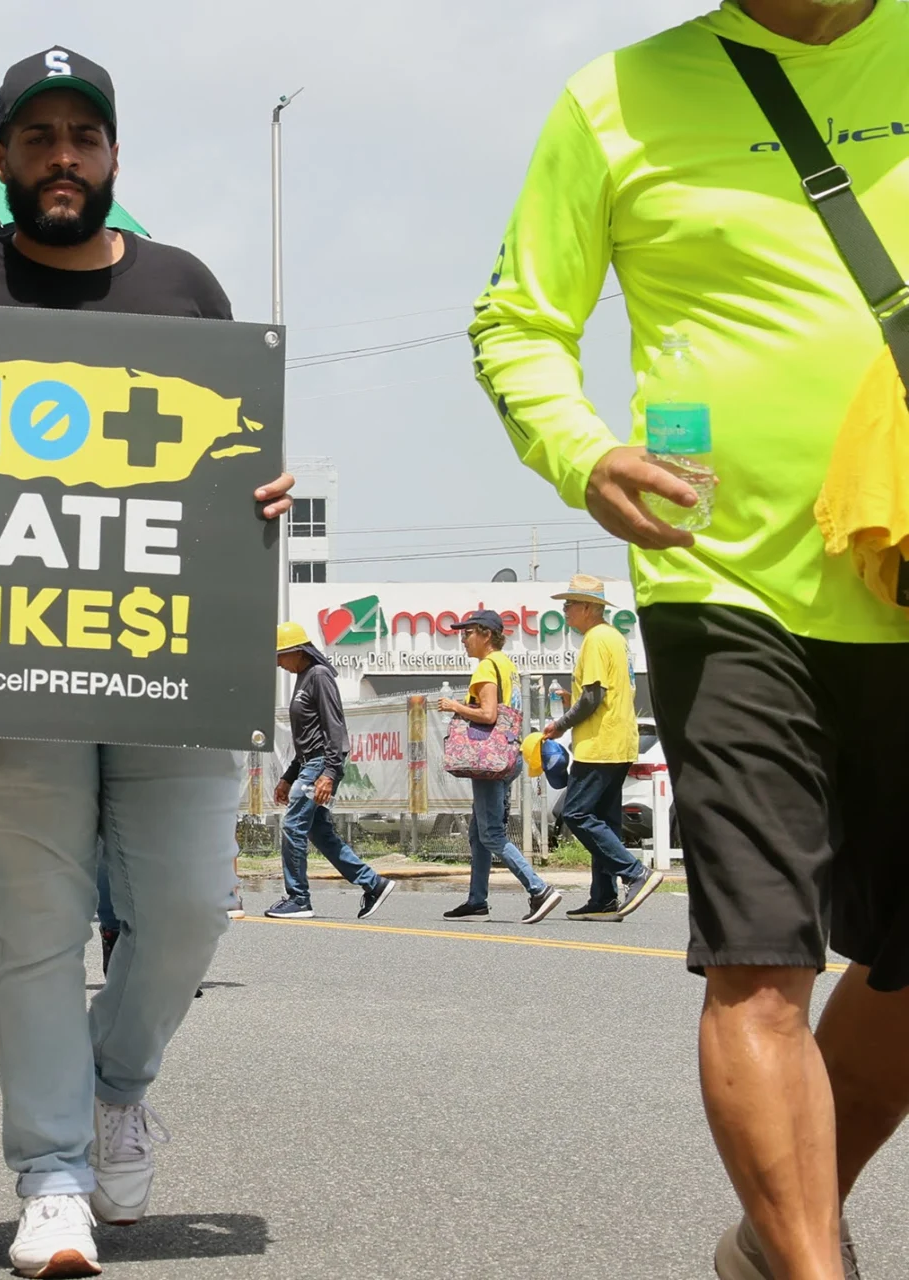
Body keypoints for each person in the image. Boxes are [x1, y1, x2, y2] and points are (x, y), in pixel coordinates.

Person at [0, 47, 297, 1275]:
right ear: (6, 161)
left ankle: (115, 1083)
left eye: (86, 136)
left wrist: (262, 496)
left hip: (165, 662)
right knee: (37, 921)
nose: (64, 158)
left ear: (115, 158)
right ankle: (53, 1175)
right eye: (41, 138)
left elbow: (226, 455)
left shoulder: (187, 286)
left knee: (188, 904)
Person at [471, 2, 908, 1273]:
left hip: (904, 577)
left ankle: (781, 1236)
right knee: (763, 961)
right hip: (723, 578)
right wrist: (583, 448)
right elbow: (518, 322)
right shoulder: (616, 98)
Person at [541, 577, 663, 921]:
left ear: (587, 608)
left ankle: (635, 873)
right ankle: (603, 897)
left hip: (600, 743)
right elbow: (606, 692)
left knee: (576, 813)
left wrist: (560, 723)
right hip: (621, 740)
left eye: (568, 605)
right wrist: (571, 701)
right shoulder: (615, 638)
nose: (564, 611)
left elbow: (594, 697)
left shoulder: (595, 639)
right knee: (605, 822)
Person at [437, 611, 563, 925]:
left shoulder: (485, 667)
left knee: (491, 834)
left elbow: (489, 714)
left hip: (488, 760)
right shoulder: (506, 664)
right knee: (479, 833)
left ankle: (539, 888)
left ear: (486, 634)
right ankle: (477, 900)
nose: (463, 639)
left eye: (467, 633)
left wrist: (455, 706)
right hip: (507, 755)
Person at [266, 624, 397, 922]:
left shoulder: (319, 676)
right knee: (318, 831)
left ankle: (299, 899)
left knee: (293, 826)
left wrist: (329, 772)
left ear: (296, 651)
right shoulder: (303, 678)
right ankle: (372, 883)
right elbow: (306, 739)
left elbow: (335, 728)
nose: (277, 662)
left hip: (320, 765)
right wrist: (288, 776)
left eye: (280, 655)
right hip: (308, 763)